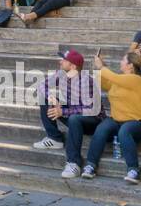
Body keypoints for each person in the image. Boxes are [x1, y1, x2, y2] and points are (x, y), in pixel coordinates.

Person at [32, 49, 104, 178]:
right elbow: (42, 85)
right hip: (73, 114)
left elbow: (90, 109)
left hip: (93, 121)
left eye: (64, 60)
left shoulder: (87, 82)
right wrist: (51, 98)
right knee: (45, 98)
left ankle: (74, 163)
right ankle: (55, 138)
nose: (60, 62)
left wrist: (63, 111)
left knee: (74, 119)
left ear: (73, 66)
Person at [87, 51, 141, 183]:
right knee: (102, 128)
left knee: (125, 131)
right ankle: (91, 165)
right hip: (117, 121)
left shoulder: (136, 80)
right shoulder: (118, 80)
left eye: (123, 60)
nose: (120, 62)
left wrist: (102, 67)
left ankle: (133, 170)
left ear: (130, 66)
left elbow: (113, 77)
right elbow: (102, 82)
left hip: (137, 123)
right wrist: (99, 66)